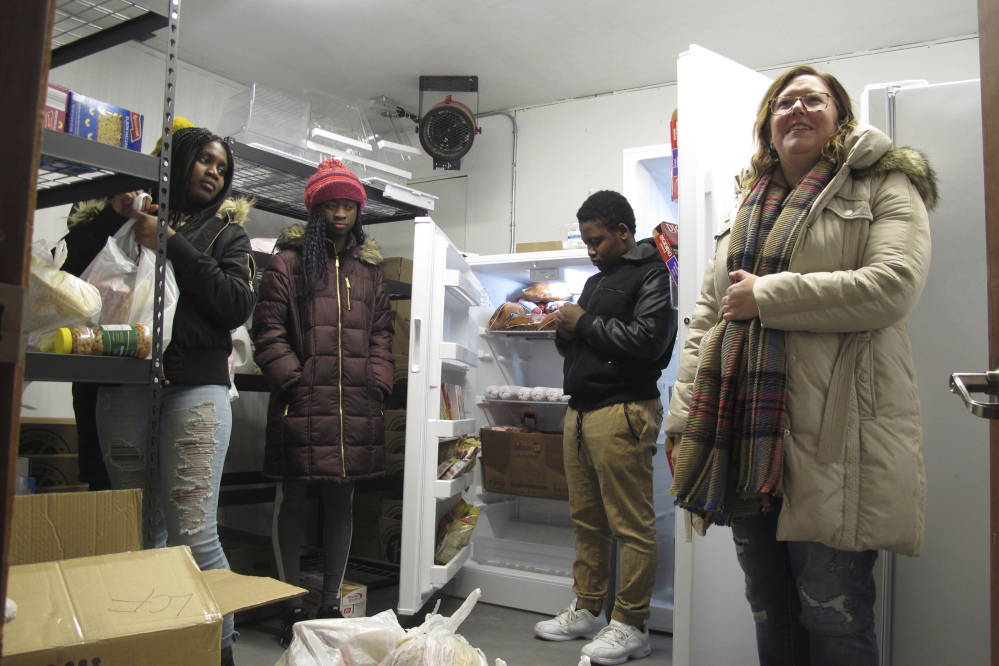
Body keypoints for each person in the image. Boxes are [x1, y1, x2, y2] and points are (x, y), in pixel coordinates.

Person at [666, 65, 936, 666]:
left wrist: (769, 296)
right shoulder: (746, 206)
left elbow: (893, 286)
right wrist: (683, 421)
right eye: (784, 102)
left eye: (813, 99)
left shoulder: (883, 184)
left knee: (834, 614)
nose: (797, 110)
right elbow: (706, 320)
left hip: (838, 442)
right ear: (768, 124)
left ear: (839, 115)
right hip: (744, 438)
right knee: (769, 606)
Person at [63, 122, 256, 666]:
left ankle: (218, 656)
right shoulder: (127, 218)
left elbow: (235, 305)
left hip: (195, 390)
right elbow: (74, 279)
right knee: (141, 534)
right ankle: (158, 650)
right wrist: (112, 214)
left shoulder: (225, 235)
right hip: (124, 388)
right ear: (179, 160)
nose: (214, 173)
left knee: (195, 535)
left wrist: (173, 247)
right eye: (205, 161)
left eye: (222, 168)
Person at [252, 158, 395, 648]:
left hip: (354, 402)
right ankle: (290, 602)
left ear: (359, 209)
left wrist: (377, 381)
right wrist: (292, 380)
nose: (340, 212)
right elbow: (267, 331)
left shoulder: (370, 271)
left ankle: (330, 603)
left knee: (342, 501)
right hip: (302, 401)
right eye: (331, 203)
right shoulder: (289, 261)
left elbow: (382, 334)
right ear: (316, 208)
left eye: (348, 204)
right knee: (291, 501)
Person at [534, 190, 677, 665]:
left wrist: (585, 323)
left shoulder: (653, 273)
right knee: (587, 519)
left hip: (623, 409)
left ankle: (632, 624)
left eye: (597, 240)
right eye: (586, 241)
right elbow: (574, 343)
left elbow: (652, 342)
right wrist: (566, 328)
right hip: (581, 410)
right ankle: (588, 610)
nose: (590, 250)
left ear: (622, 233)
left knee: (631, 524)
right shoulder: (597, 281)